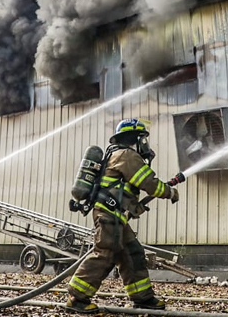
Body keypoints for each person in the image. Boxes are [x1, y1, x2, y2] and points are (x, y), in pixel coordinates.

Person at [66, 118, 180, 313]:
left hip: (116, 217)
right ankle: (77, 298)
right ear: (134, 139)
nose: (145, 144)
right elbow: (149, 183)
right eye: (143, 139)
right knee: (105, 253)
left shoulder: (119, 155)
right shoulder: (126, 155)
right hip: (109, 215)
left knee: (132, 253)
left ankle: (142, 297)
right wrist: (170, 192)